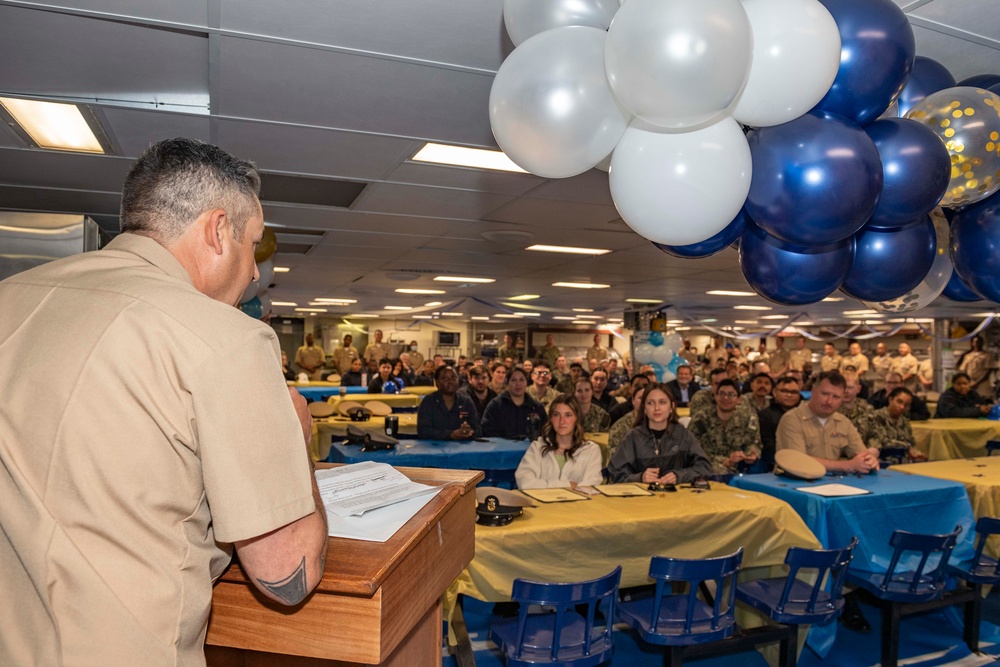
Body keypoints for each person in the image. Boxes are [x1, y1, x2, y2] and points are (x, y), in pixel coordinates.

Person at [0, 138, 328, 665]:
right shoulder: (225, 337)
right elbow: (287, 575)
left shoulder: (11, 297)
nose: (251, 274)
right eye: (252, 244)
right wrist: (296, 442)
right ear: (218, 231)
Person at [776, 371, 880, 474]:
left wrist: (869, 460)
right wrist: (846, 465)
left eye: (836, 397)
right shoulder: (792, 419)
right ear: (813, 391)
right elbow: (798, 462)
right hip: (795, 484)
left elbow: (862, 455)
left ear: (842, 398)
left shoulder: (843, 422)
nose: (829, 401)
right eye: (825, 394)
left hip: (833, 484)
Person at [606, 384, 713, 484]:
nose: (657, 408)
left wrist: (679, 475)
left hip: (678, 499)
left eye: (662, 402)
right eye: (651, 403)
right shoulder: (632, 437)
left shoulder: (683, 435)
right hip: (641, 500)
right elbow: (615, 473)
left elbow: (704, 467)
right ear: (644, 409)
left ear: (671, 407)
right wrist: (640, 477)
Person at [514, 396, 604, 490]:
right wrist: (567, 485)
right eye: (556, 415)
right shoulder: (538, 447)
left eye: (568, 415)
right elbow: (524, 482)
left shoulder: (591, 450)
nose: (562, 421)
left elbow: (591, 486)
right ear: (551, 419)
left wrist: (543, 485)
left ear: (577, 418)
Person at [688, 379, 761, 476]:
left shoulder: (748, 418)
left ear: (739, 399)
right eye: (722, 394)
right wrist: (724, 461)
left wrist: (751, 454)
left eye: (731, 395)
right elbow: (691, 449)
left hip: (740, 465)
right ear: (715, 396)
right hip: (708, 465)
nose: (726, 398)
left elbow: (755, 442)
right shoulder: (700, 419)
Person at [416, 365, 481, 440]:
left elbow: (477, 430)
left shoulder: (466, 401)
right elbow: (423, 432)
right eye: (445, 378)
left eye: (453, 377)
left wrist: (467, 431)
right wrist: (451, 435)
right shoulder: (429, 402)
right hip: (434, 448)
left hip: (462, 448)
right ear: (437, 382)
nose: (450, 381)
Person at [481, 367, 548, 438]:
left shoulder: (536, 407)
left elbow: (545, 431)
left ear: (526, 382)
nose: (518, 384)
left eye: (522, 380)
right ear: (507, 382)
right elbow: (487, 430)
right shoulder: (495, 405)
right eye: (513, 380)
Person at [865, 387, 927, 462]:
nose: (902, 407)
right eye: (899, 402)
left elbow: (911, 443)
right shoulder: (876, 417)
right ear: (890, 399)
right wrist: (907, 447)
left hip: (903, 461)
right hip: (881, 461)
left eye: (906, 405)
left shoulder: (904, 421)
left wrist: (917, 454)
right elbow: (882, 441)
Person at [758, 376, 802, 472]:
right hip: (774, 465)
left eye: (794, 392)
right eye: (784, 391)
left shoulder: (804, 414)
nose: (789, 395)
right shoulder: (765, 415)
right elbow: (767, 446)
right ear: (774, 392)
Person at [607, 377, 649, 460]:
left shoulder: (660, 423)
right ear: (633, 400)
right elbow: (615, 458)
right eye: (641, 398)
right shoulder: (620, 427)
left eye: (648, 398)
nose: (644, 402)